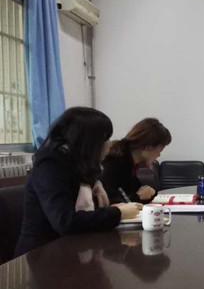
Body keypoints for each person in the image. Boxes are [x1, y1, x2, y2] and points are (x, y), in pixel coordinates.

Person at [15, 107, 142, 256]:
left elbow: (110, 196)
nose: (110, 144)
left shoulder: (83, 166)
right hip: (42, 255)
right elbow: (65, 222)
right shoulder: (50, 164)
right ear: (87, 141)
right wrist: (117, 213)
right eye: (105, 139)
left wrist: (117, 206)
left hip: (74, 248)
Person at [101, 118, 171, 203]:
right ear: (148, 146)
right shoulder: (114, 163)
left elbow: (138, 192)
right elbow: (114, 202)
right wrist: (139, 196)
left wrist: (149, 193)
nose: (159, 155)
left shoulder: (130, 162)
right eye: (160, 150)